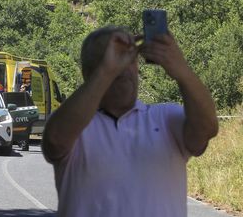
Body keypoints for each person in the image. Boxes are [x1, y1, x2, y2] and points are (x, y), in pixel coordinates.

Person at [42, 25, 218, 217]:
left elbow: (207, 129)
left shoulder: (165, 118)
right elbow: (55, 141)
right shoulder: (74, 126)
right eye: (112, 58)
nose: (122, 67)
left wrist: (181, 69)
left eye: (130, 58)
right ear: (87, 73)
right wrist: (107, 72)